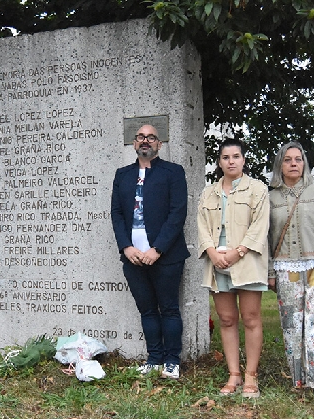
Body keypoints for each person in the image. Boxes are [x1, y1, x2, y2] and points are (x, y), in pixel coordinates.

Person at [111, 124, 190, 380]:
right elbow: (117, 214)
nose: (146, 141)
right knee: (147, 310)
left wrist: (158, 249)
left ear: (159, 144)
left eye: (151, 137)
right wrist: (126, 246)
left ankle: (172, 361)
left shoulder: (173, 172)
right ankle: (154, 359)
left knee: (168, 309)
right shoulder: (122, 175)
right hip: (133, 257)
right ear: (135, 144)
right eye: (141, 137)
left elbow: (178, 213)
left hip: (166, 256)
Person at [197, 138, 269, 398]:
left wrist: (238, 252)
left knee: (250, 318)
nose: (231, 161)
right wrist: (213, 253)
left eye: (236, 156)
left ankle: (251, 376)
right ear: (219, 162)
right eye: (226, 157)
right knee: (227, 320)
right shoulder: (209, 193)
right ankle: (234, 374)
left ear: (243, 160)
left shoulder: (258, 190)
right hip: (217, 262)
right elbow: (202, 225)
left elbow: (260, 226)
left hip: (246, 260)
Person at [268, 142, 314, 401]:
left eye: (298, 159)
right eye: (288, 160)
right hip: (285, 269)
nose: (294, 164)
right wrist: (270, 272)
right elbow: (266, 238)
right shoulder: (271, 197)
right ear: (280, 165)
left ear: (304, 164)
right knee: (291, 324)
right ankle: (298, 379)